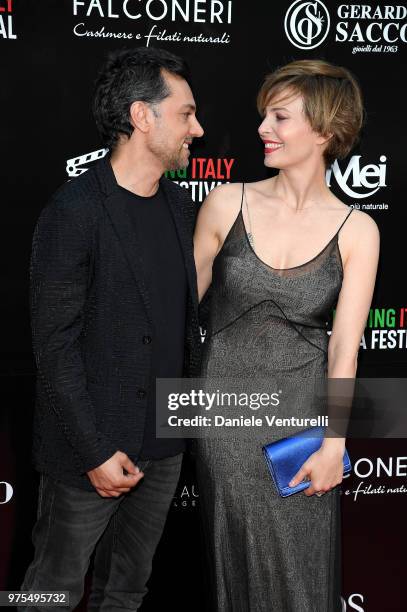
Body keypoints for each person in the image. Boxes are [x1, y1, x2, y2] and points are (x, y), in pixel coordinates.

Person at [20, 47, 204, 611]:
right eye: (186, 114)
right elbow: (54, 348)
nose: (198, 129)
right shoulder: (73, 212)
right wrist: (95, 452)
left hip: (164, 448)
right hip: (91, 455)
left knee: (126, 591)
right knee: (49, 591)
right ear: (142, 116)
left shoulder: (179, 206)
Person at [193, 59, 379, 611]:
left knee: (302, 569)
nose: (262, 129)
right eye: (263, 116)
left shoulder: (358, 230)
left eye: (279, 116)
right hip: (225, 415)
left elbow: (346, 347)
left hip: (303, 423)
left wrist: (335, 444)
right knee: (237, 562)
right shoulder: (227, 202)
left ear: (323, 130)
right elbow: (179, 309)